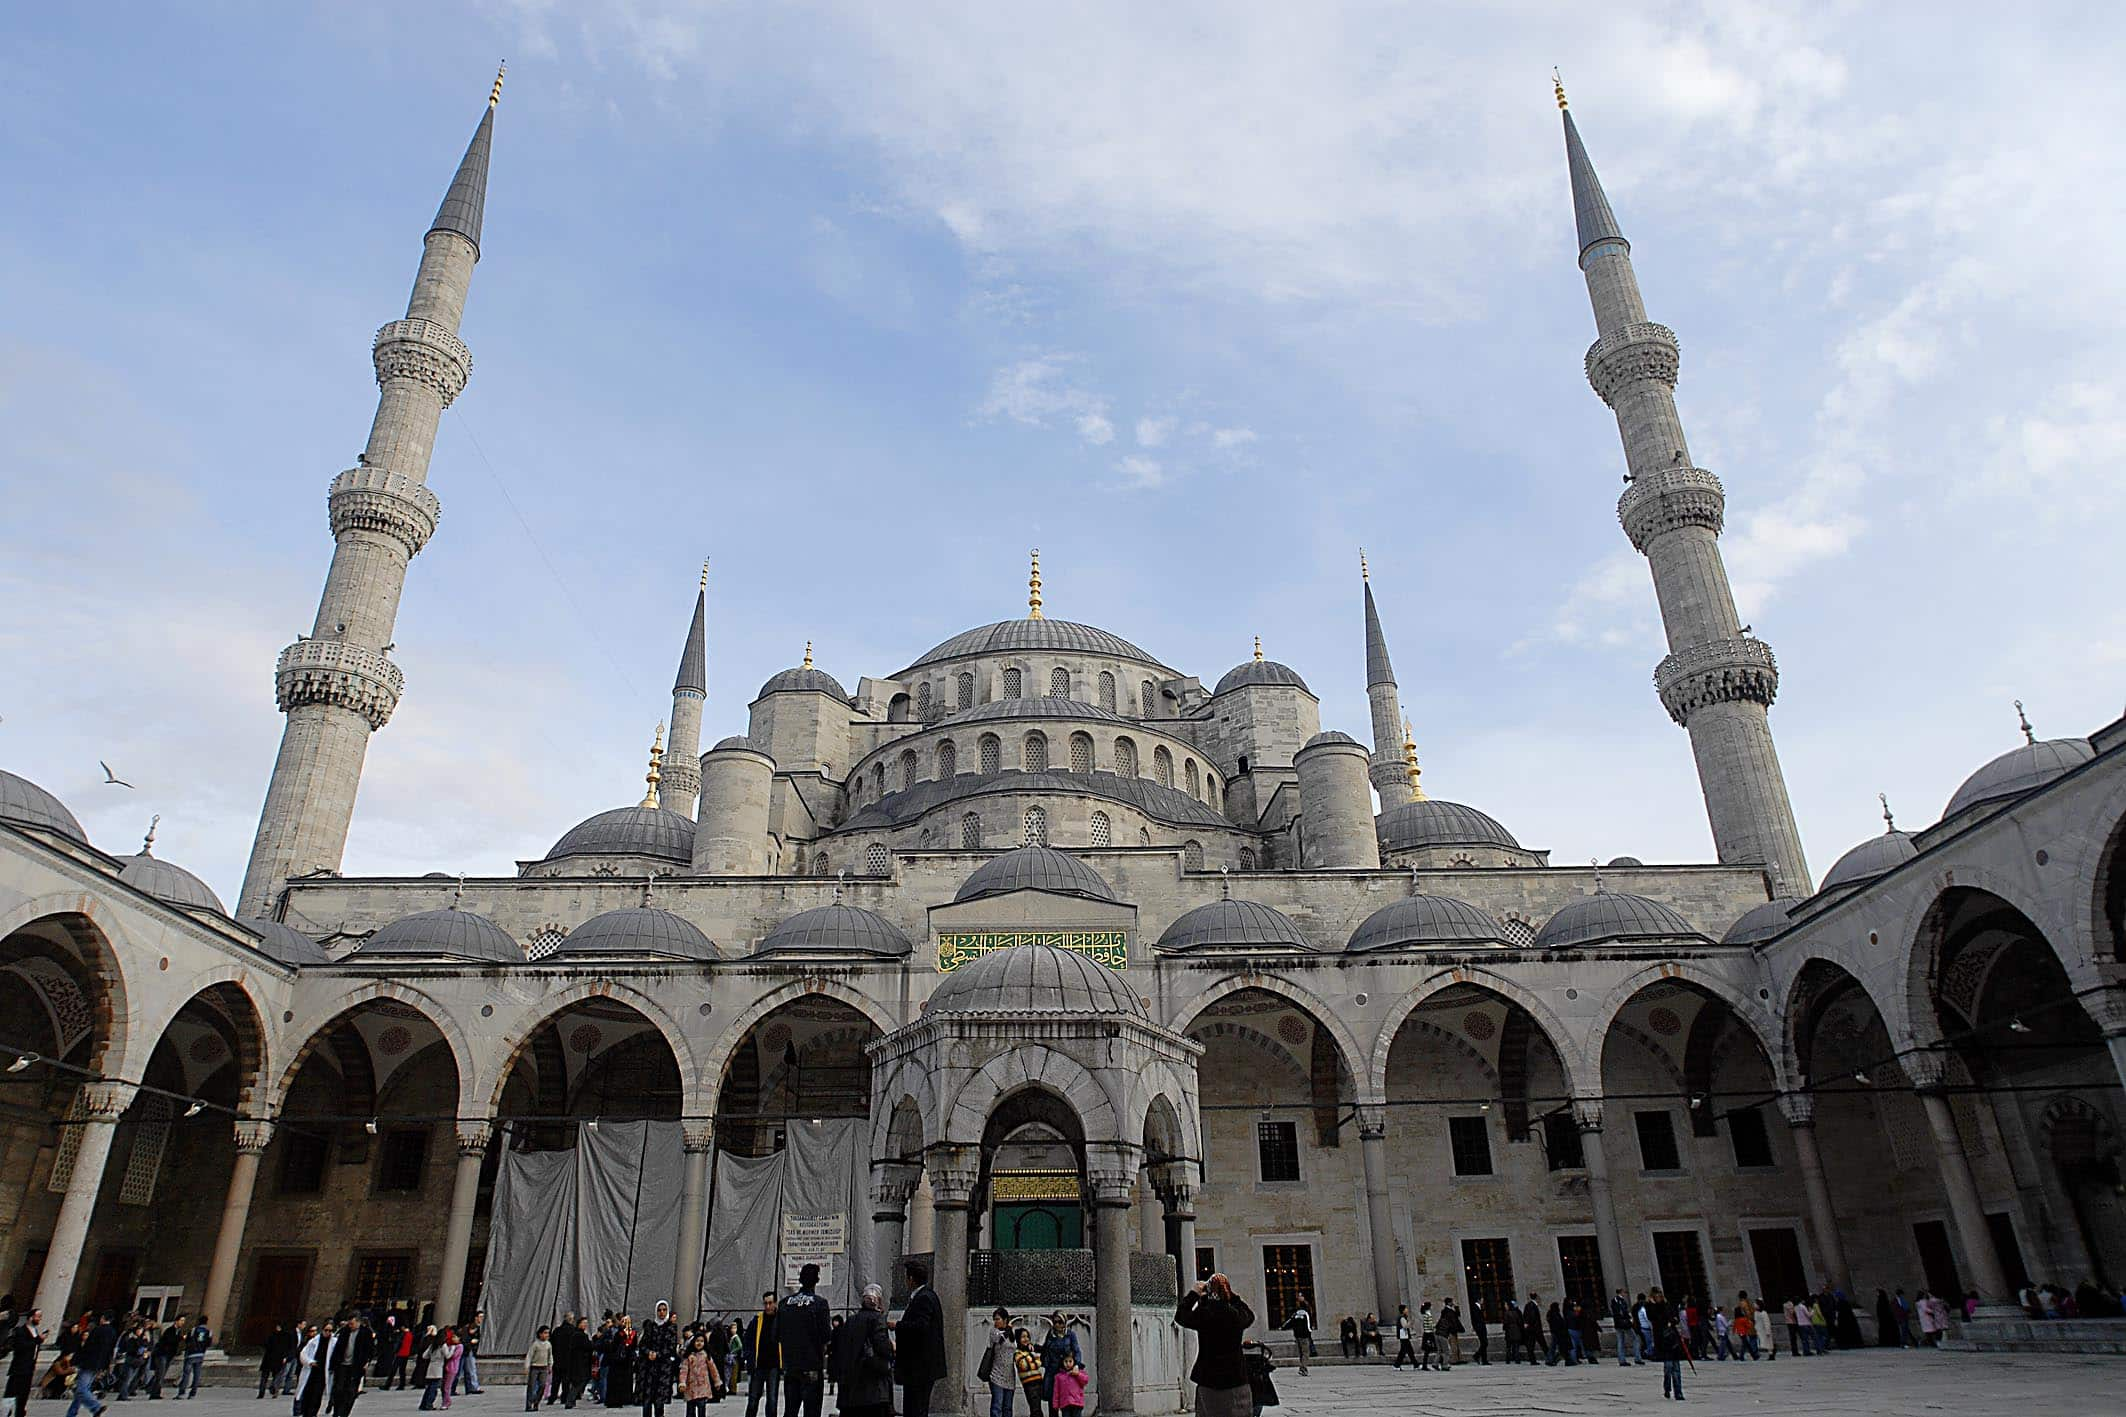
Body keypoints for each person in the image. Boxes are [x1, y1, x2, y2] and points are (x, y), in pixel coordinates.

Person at [1175, 1274, 1254, 1417]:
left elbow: (1181, 1315)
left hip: (1209, 1379)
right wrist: (1233, 1296)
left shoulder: (1204, 1313)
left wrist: (1194, 1294)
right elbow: (1250, 1315)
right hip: (1236, 1378)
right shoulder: (1236, 1315)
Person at [777, 1266, 833, 1417]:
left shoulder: (784, 1303)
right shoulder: (820, 1303)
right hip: (812, 1365)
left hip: (791, 1366)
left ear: (800, 1279)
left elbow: (776, 1335)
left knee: (790, 1410)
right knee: (812, 1411)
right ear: (817, 1280)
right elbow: (826, 1335)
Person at [828, 1287, 890, 1417]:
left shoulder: (850, 1321)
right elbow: (882, 1347)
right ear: (878, 1301)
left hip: (850, 1389)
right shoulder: (878, 1319)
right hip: (872, 1388)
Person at [894, 1262, 946, 1417]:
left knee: (915, 1407)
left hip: (919, 1367)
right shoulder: (928, 1296)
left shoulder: (923, 1298)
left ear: (911, 1279)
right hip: (920, 1367)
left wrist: (897, 1325)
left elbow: (920, 1327)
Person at [69, 1313, 115, 1417]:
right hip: (100, 1364)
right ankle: (71, 1413)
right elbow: (110, 1351)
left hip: (89, 1362)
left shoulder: (97, 1330)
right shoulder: (112, 1332)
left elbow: (88, 1348)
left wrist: (75, 1360)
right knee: (83, 1389)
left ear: (103, 1318)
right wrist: (106, 1366)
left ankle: (95, 1407)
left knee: (81, 1389)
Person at [739, 1297, 779, 1417]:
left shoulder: (780, 1319)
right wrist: (749, 1356)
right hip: (758, 1366)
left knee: (772, 1400)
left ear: (775, 1303)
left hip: (774, 1366)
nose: (767, 1306)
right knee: (753, 1399)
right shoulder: (757, 1320)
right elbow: (747, 1340)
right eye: (765, 1303)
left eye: (770, 1303)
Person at [330, 1315, 375, 1417]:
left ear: (358, 1323)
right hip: (342, 1364)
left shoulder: (365, 1333)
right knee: (339, 1389)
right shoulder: (345, 1331)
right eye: (349, 1323)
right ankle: (336, 1411)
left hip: (356, 1366)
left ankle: (345, 1412)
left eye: (352, 1324)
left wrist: (367, 1361)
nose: (350, 1326)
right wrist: (333, 1363)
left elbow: (370, 1349)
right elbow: (337, 1348)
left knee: (351, 1391)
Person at [642, 1302, 680, 1417]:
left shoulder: (671, 1328)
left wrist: (657, 1355)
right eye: (659, 1310)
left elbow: (671, 1347)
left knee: (659, 1401)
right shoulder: (651, 1326)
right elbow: (643, 1344)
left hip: (663, 1368)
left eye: (664, 1310)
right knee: (647, 1400)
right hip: (649, 1367)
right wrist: (648, 1352)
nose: (662, 1312)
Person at [1035, 1315, 1080, 1412]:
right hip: (1052, 1370)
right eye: (1055, 1322)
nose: (1057, 1325)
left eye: (1060, 1322)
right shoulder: (1051, 1334)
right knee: (1052, 1400)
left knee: (1066, 1400)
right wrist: (1034, 1347)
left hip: (1065, 1370)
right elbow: (1045, 1349)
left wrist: (1076, 1365)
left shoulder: (1070, 1334)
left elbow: (1076, 1350)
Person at [8, 1308, 42, 1417]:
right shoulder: (20, 1331)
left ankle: (20, 1413)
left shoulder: (35, 1331)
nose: (39, 1319)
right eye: (38, 1316)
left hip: (29, 1368)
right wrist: (37, 1340)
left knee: (23, 1397)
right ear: (30, 1317)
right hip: (19, 1368)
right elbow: (20, 1347)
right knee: (11, 1395)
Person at [679, 1334, 719, 1417]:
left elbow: (713, 1369)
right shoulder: (689, 1356)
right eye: (697, 1341)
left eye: (701, 1341)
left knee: (701, 1408)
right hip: (691, 1387)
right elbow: (684, 1370)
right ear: (693, 1342)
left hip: (703, 1386)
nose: (699, 1343)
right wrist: (682, 1382)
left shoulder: (706, 1355)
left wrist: (717, 1381)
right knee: (690, 1410)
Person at [1654, 1298, 1686, 1402]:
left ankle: (1678, 1392)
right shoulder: (1659, 1321)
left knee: (1676, 1370)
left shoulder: (1673, 1321)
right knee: (1668, 1370)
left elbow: (1677, 1323)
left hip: (1674, 1346)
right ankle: (1667, 1388)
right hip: (1666, 1347)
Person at [177, 1314, 212, 1400]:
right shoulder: (209, 1331)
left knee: (186, 1374)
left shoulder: (194, 1330)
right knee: (197, 1374)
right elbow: (209, 1343)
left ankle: (182, 1393)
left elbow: (189, 1340)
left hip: (191, 1354)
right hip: (200, 1354)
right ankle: (193, 1393)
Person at [1011, 1332, 1044, 1417]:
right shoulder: (1018, 1353)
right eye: (1023, 1337)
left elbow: (1039, 1363)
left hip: (1038, 1382)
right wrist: (1034, 1358)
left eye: (1027, 1337)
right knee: (1035, 1409)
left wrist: (1033, 1358)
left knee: (1037, 1408)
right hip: (1030, 1384)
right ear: (1018, 1339)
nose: (1026, 1339)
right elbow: (1024, 1365)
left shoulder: (1030, 1351)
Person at [261, 1322, 297, 1399]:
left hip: (278, 1358)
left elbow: (289, 1347)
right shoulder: (272, 1335)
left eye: (279, 1327)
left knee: (276, 1375)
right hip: (270, 1358)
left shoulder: (286, 1336)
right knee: (267, 1375)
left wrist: (286, 1357)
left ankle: (274, 1389)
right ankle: (263, 1391)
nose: (278, 1328)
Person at [528, 1329, 556, 1414]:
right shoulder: (535, 1344)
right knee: (531, 1386)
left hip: (544, 1367)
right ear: (540, 1334)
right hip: (535, 1367)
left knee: (543, 1385)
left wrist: (550, 1365)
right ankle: (529, 1404)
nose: (546, 1335)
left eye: (547, 1333)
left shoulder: (548, 1344)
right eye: (545, 1333)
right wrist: (527, 1366)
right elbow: (529, 1355)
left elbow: (550, 1355)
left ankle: (536, 1402)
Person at [1283, 1303, 1310, 1376]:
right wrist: (1309, 1334)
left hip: (1297, 1336)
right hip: (1304, 1336)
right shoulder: (1305, 1314)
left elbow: (1289, 1322)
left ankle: (1302, 1366)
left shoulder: (1295, 1315)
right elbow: (1308, 1325)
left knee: (1301, 1352)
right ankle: (1303, 1367)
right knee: (1305, 1352)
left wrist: (1283, 1327)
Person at [1544, 1301, 1572, 1367]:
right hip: (1558, 1333)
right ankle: (1551, 1360)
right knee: (1559, 1347)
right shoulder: (1555, 1314)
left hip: (1555, 1332)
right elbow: (1559, 1324)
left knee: (1554, 1347)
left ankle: (1550, 1360)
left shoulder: (1551, 1314)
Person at [1500, 1298, 1522, 1364]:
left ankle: (1508, 1359)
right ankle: (1517, 1359)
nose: (1505, 1306)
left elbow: (1505, 1323)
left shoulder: (1507, 1313)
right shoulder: (1516, 1312)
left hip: (1509, 1331)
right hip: (1516, 1331)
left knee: (1509, 1346)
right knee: (1516, 1346)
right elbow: (1519, 1322)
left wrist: (1504, 1328)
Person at [1467, 1297, 1488, 1366]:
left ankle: (1483, 1359)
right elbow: (1476, 1319)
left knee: (1484, 1343)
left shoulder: (1479, 1307)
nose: (1483, 1301)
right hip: (1480, 1328)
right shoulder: (1475, 1307)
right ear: (1479, 1300)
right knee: (1484, 1343)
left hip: (1481, 1327)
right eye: (1482, 1299)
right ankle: (1477, 1355)